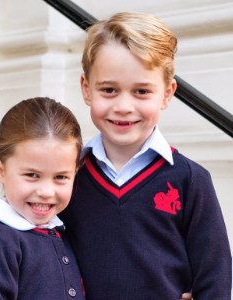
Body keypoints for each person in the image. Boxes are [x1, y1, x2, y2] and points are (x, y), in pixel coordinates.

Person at [59, 12, 232, 300]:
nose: (124, 106)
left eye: (141, 91)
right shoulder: (67, 176)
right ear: (87, 89)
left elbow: (214, 274)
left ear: (166, 93)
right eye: (109, 90)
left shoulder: (190, 180)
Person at [0, 97, 86, 300]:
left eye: (60, 177)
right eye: (32, 175)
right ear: (1, 170)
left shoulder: (63, 230)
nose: (46, 191)